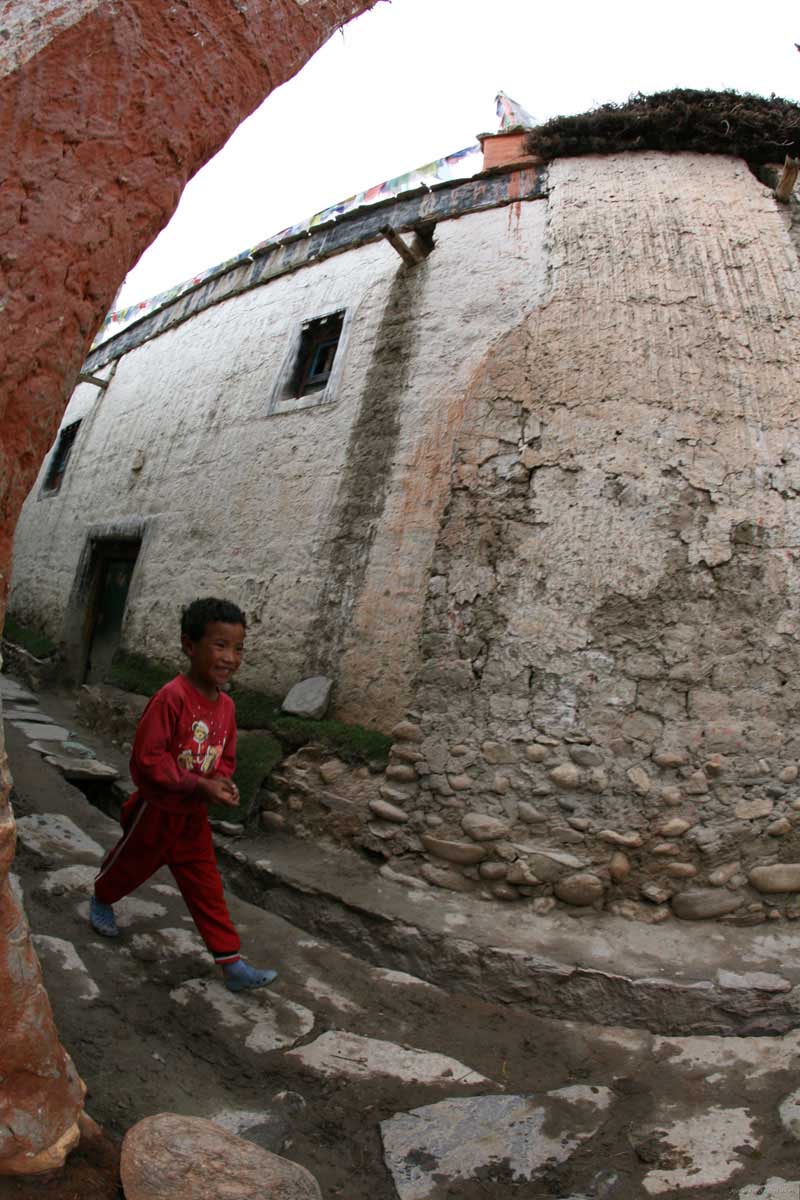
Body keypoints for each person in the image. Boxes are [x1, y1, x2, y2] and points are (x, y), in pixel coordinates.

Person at [89, 597, 277, 993]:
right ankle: (102, 897)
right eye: (220, 645)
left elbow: (225, 756)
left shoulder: (226, 707)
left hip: (192, 818)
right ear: (189, 646)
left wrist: (221, 781)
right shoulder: (171, 697)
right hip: (156, 811)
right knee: (129, 866)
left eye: (238, 648)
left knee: (206, 886)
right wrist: (198, 784)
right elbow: (148, 759)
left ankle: (231, 964)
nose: (230, 658)